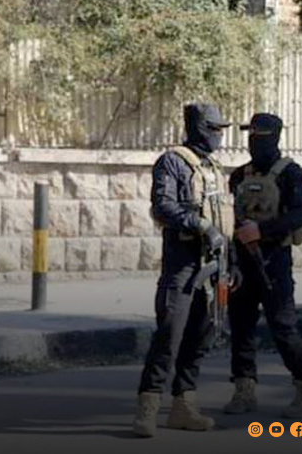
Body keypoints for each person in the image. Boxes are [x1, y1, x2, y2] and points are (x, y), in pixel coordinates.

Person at [132, 103, 235, 437]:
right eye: (214, 128)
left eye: (222, 129)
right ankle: (147, 409)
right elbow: (163, 205)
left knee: (199, 337)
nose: (219, 135)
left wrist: (229, 263)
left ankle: (183, 405)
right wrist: (201, 224)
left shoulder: (212, 166)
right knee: (169, 337)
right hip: (183, 263)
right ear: (198, 127)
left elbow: (225, 217)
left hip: (212, 265)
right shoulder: (173, 161)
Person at [223, 112, 302, 418]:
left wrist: (262, 231)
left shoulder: (291, 174)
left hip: (274, 260)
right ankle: (244, 390)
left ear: (275, 137)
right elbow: (233, 217)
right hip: (242, 260)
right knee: (240, 328)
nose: (254, 142)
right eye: (250, 136)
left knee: (283, 327)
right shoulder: (240, 175)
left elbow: (299, 214)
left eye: (260, 136)